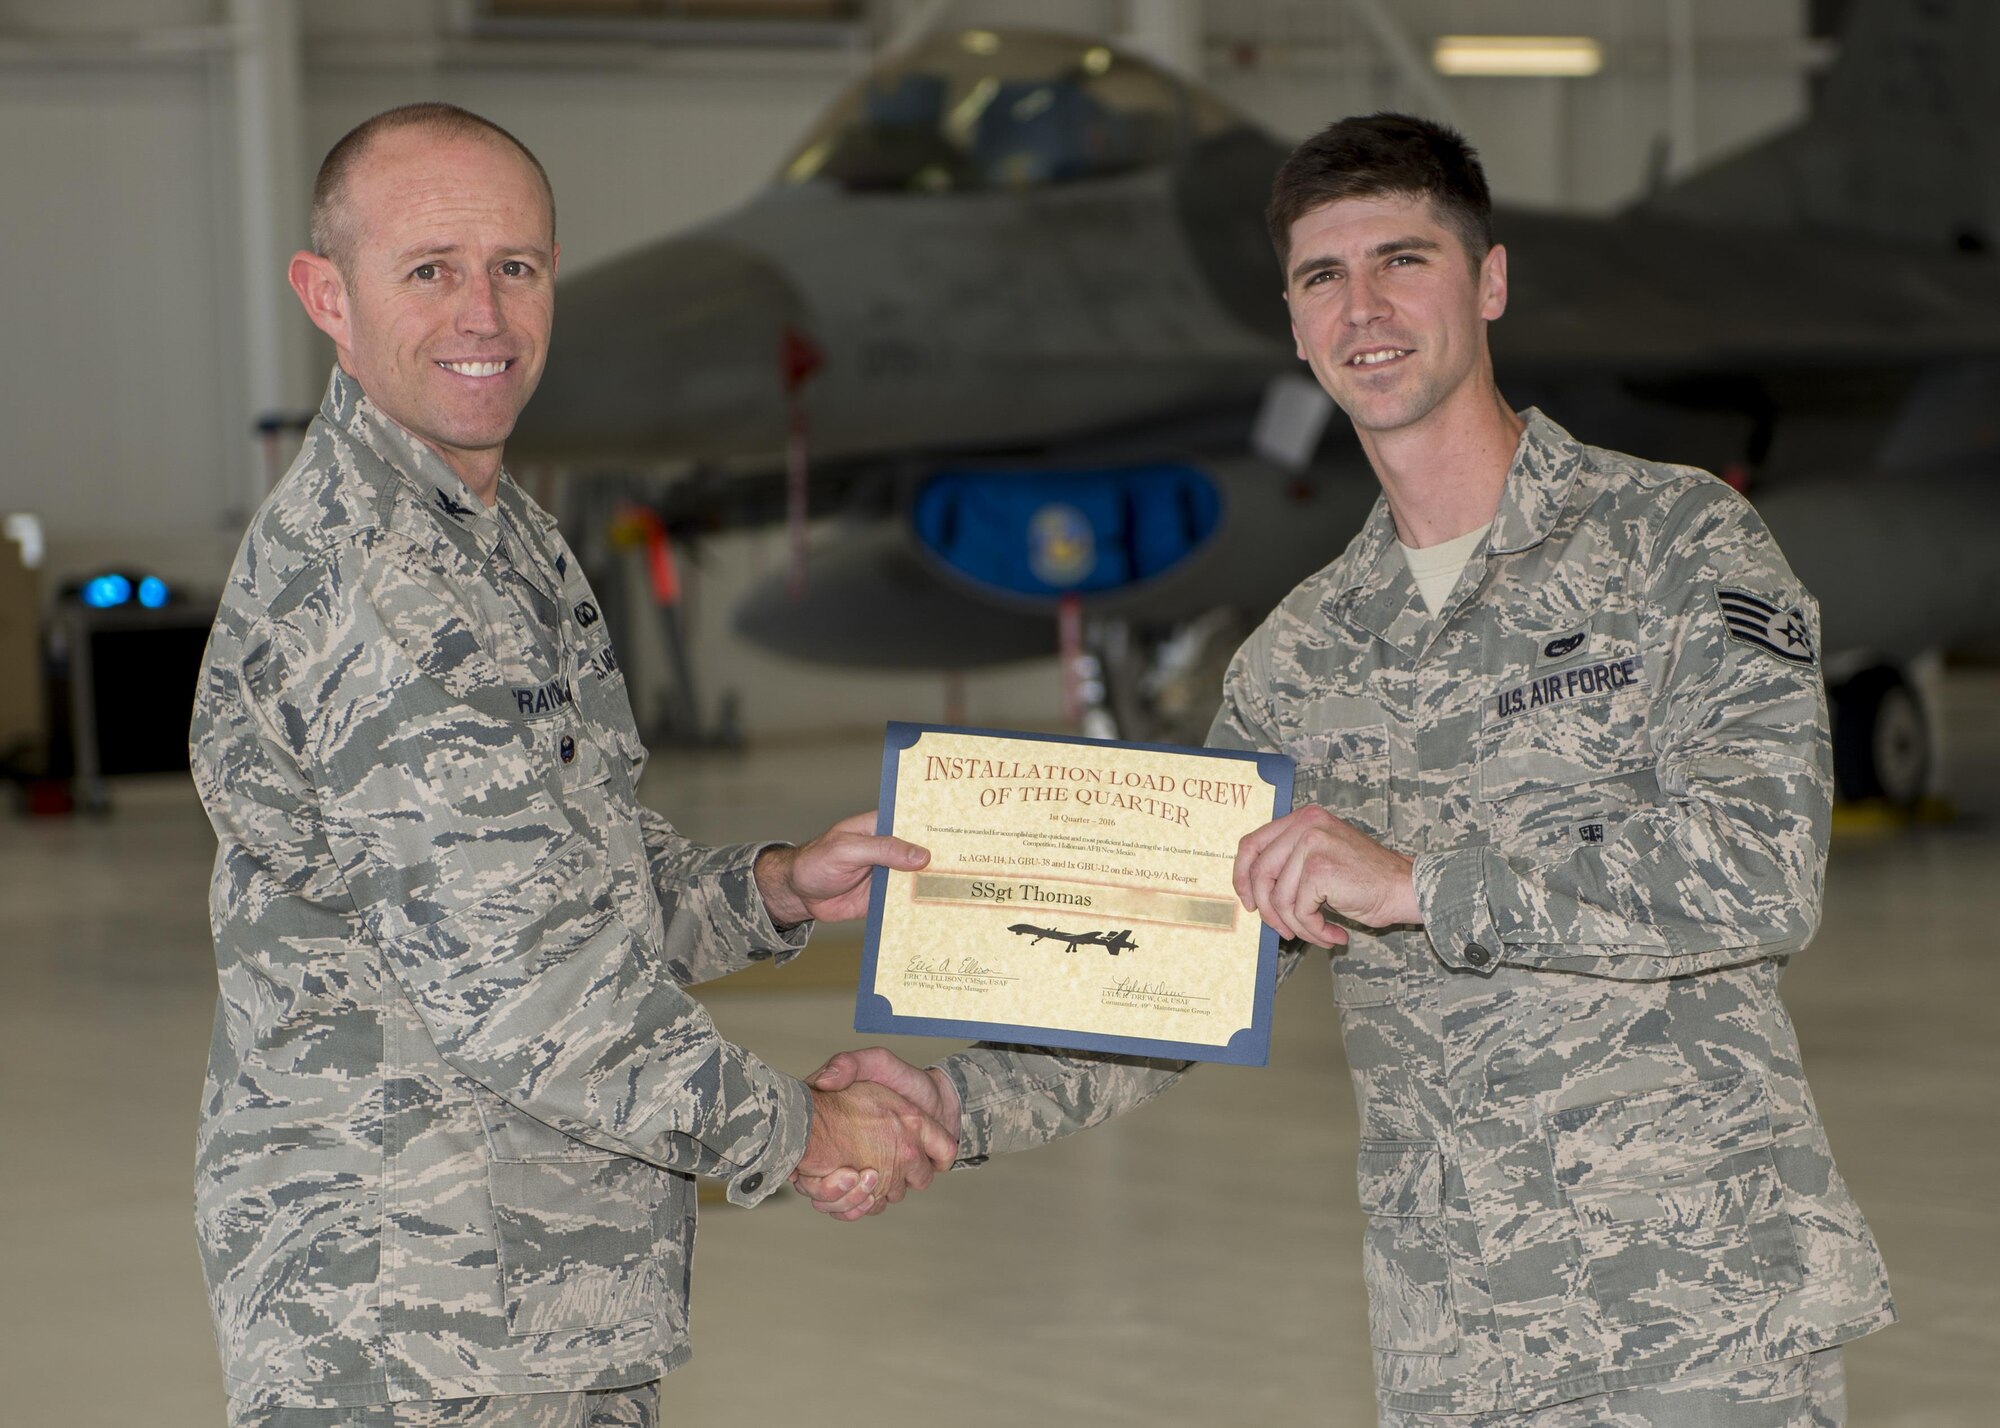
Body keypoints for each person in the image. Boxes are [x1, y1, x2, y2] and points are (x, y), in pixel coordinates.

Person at [797, 113, 1894, 1424]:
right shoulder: (1299, 661)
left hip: (1698, 1318)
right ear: (1296, 321)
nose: (1364, 308)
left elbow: (1765, 870)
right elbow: (1186, 971)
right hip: (1460, 1336)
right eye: (1324, 277)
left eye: (1404, 261)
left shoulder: (1675, 541)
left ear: (1489, 283)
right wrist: (950, 1096)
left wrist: (1421, 884)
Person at [189, 103, 952, 1428]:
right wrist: (803, 1134)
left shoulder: (494, 531)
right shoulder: (384, 582)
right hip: (415, 1327)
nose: (483, 314)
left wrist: (773, 889)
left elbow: (558, 873)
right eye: (430, 269)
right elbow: (533, 993)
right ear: (328, 294)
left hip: (520, 1301)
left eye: (517, 268)